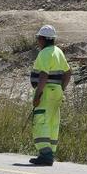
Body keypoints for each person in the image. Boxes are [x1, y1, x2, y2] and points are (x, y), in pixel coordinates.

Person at [29, 24, 71, 166]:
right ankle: (50, 153)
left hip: (45, 92)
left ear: (42, 39)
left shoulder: (44, 53)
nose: (37, 41)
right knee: (53, 122)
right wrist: (62, 88)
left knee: (41, 122)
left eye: (38, 39)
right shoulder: (58, 51)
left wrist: (38, 95)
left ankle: (44, 154)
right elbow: (68, 72)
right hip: (57, 92)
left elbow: (43, 75)